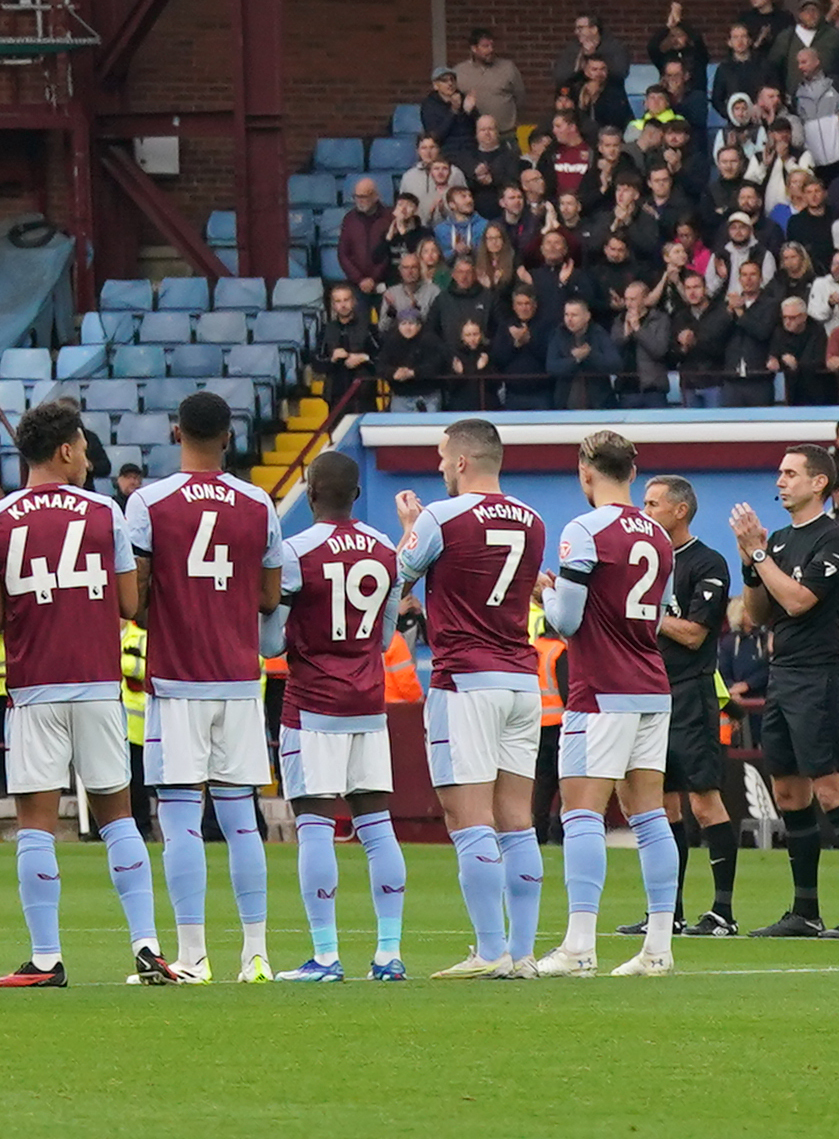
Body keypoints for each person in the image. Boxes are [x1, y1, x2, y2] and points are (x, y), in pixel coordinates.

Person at [0, 397, 158, 988]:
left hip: (34, 688)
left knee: (36, 822)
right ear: (65, 450)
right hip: (98, 683)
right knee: (118, 816)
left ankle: (47, 959)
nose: (87, 456)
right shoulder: (106, 513)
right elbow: (132, 605)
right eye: (83, 446)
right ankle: (146, 947)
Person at [122, 389, 280, 984]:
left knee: (182, 817)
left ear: (175, 431)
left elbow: (133, 599)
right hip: (240, 680)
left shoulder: (150, 503)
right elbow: (268, 597)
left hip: (177, 679)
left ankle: (192, 955)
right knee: (242, 818)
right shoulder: (258, 502)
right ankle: (257, 954)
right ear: (229, 437)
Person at [407, 416, 552, 976]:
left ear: (463, 461)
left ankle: (489, 951)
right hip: (521, 679)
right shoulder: (535, 520)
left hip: (465, 680)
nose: (441, 466)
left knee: (467, 817)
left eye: (444, 458)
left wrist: (410, 530)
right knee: (517, 819)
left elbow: (395, 577)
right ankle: (522, 954)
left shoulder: (440, 516)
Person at [266, 446, 412, 983]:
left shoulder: (295, 550)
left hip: (313, 706)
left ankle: (326, 956)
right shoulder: (383, 549)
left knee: (315, 829)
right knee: (378, 828)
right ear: (356, 495)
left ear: (308, 494)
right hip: (368, 703)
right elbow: (387, 635)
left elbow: (267, 644)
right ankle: (388, 954)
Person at [539, 426, 680, 977]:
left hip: (600, 690)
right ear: (634, 473)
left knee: (581, 814)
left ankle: (578, 945)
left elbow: (567, 619)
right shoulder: (660, 537)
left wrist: (547, 592)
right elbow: (662, 614)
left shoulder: (585, 529)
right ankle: (659, 947)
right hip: (651, 684)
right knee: (649, 817)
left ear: (586, 472)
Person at [739, 447, 839, 937]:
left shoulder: (836, 538)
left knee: (828, 786)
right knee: (788, 791)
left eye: (790, 473)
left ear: (818, 483)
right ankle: (805, 909)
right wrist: (752, 563)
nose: (780, 481)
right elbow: (758, 614)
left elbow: (799, 601)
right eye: (780, 472)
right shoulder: (778, 540)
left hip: (820, 675)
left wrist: (760, 555)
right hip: (783, 673)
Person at [641, 474, 747, 932]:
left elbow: (694, 632)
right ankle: (669, 913)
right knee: (662, 806)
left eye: (652, 504)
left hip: (691, 693)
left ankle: (722, 910)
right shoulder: (645, 561)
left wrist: (652, 613)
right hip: (650, 692)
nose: (644, 512)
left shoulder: (708, 562)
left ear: (679, 510)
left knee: (704, 801)